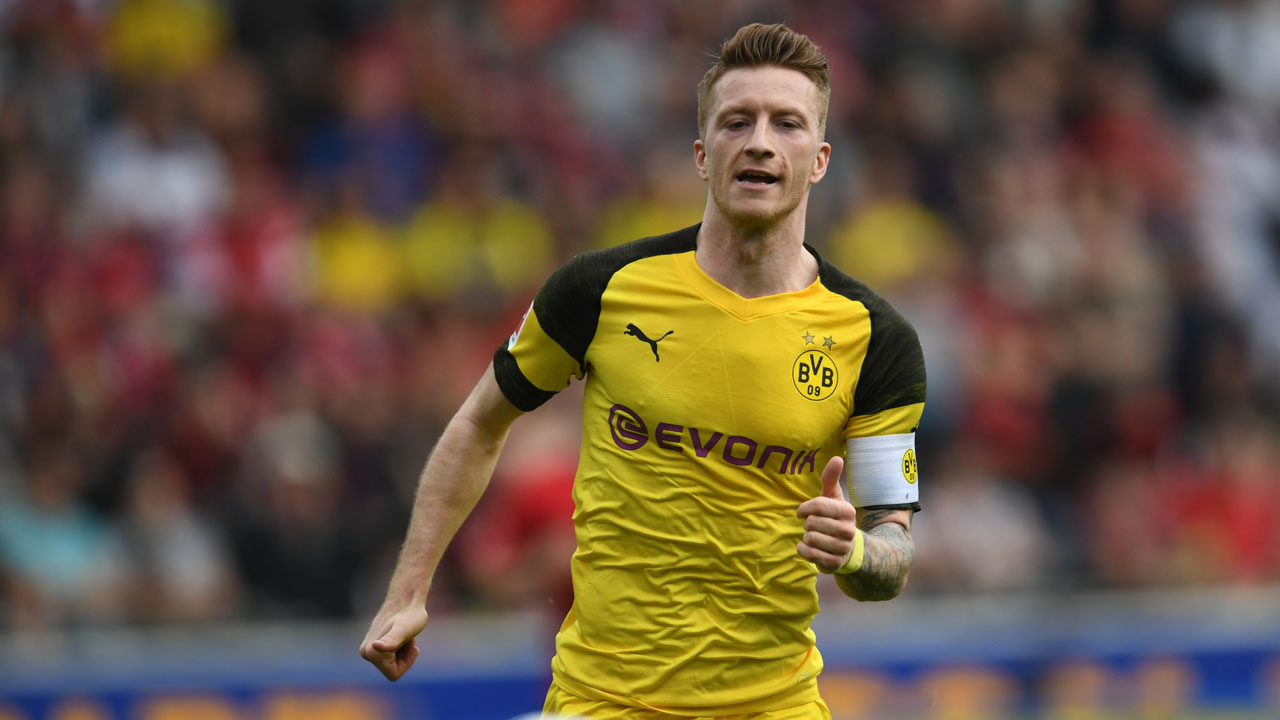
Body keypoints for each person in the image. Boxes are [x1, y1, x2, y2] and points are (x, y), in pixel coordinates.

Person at [360, 23, 926, 720]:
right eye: (737, 121)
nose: (759, 141)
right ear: (702, 154)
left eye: (787, 124)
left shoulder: (878, 340)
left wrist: (857, 552)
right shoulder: (600, 289)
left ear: (819, 160)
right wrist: (408, 592)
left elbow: (891, 554)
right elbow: (480, 423)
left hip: (773, 705)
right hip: (602, 701)